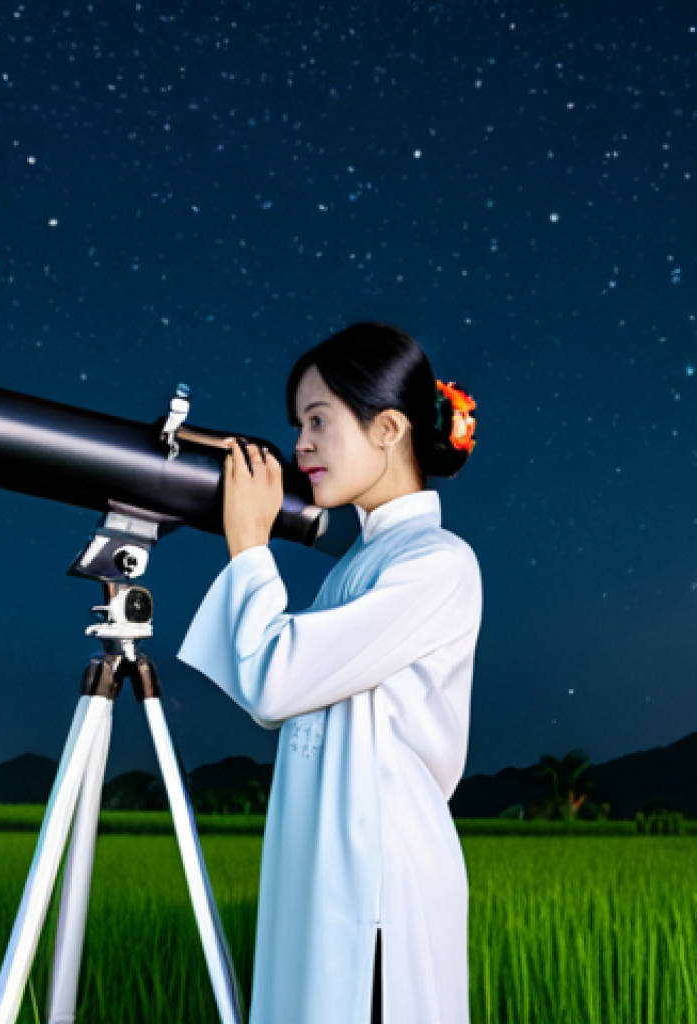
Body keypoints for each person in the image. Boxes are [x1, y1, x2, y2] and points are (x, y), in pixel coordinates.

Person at [177, 322, 483, 1024]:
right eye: (298, 425)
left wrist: (249, 547)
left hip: (378, 891)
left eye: (318, 420)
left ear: (389, 430)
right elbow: (280, 685)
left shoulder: (437, 562)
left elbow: (274, 680)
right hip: (331, 866)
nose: (301, 445)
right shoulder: (358, 564)